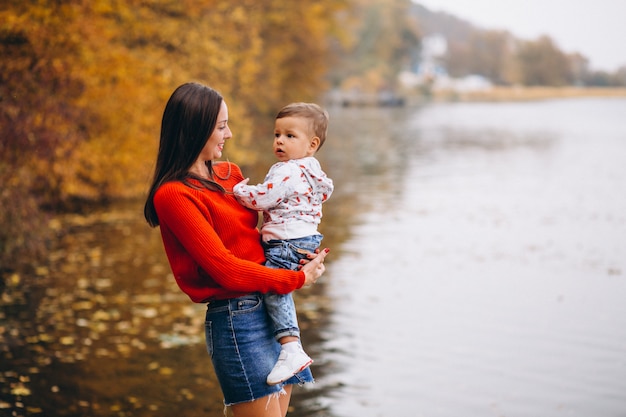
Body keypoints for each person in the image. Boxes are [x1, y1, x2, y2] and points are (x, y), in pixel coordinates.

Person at [143, 82, 329, 417]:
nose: (228, 135)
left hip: (274, 306)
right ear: (195, 129)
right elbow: (224, 268)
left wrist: (301, 252)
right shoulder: (174, 195)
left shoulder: (232, 177)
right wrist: (295, 280)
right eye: (221, 126)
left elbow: (264, 234)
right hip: (237, 317)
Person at [233, 102, 333, 385]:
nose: (280, 141)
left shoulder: (286, 170)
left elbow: (263, 198)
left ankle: (291, 348)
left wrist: (239, 191)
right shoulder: (312, 171)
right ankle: (287, 346)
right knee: (280, 288)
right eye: (277, 134)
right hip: (304, 238)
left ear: (311, 144)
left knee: (275, 287)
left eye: (290, 136)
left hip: (287, 239)